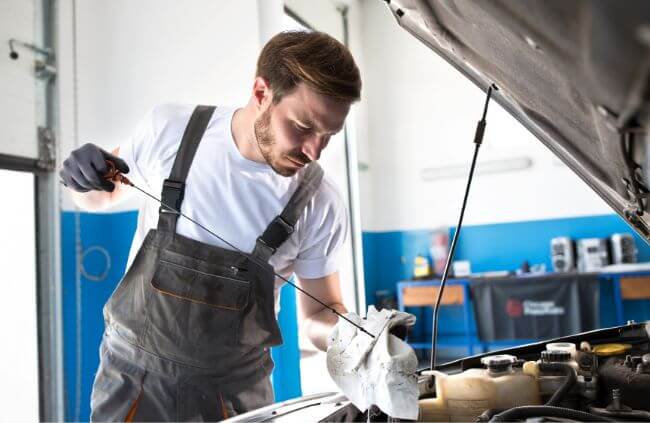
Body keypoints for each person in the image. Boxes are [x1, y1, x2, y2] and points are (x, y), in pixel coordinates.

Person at [59, 30, 362, 421]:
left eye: (329, 135)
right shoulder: (172, 130)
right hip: (132, 386)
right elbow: (99, 197)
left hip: (233, 400)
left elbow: (320, 316)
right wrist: (81, 179)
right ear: (261, 93)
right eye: (304, 126)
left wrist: (352, 336)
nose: (315, 150)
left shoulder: (319, 202)